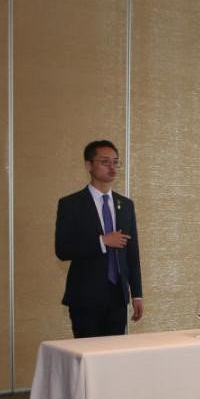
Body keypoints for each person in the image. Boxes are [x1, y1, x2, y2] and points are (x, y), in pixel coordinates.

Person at [54, 140, 143, 338]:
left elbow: (132, 252)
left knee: (114, 353)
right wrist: (102, 241)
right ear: (88, 165)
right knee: (88, 351)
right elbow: (62, 249)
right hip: (85, 297)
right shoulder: (71, 204)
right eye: (105, 162)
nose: (112, 167)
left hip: (118, 297)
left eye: (115, 162)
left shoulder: (125, 205)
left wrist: (137, 294)